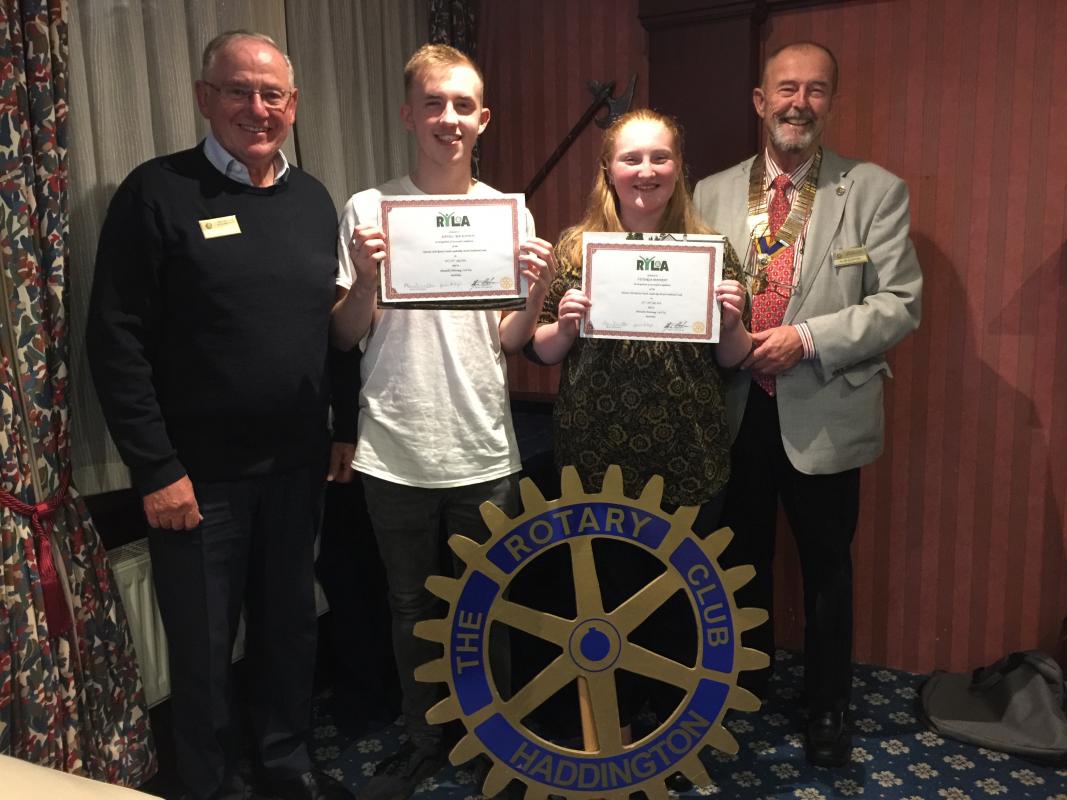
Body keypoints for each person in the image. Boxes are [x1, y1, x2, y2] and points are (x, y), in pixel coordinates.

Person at [87, 30, 350, 800]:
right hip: (195, 483)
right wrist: (156, 469)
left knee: (287, 632)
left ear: (293, 106)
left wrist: (343, 427)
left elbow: (327, 324)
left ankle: (286, 765)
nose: (256, 108)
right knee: (202, 653)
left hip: (297, 468)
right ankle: (208, 786)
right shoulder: (156, 192)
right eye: (238, 90)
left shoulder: (313, 200)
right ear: (204, 98)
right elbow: (117, 342)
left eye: (273, 94)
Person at [330, 44, 554, 800]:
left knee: (491, 605)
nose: (448, 118)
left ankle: (493, 738)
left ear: (482, 118)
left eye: (463, 105)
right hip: (394, 446)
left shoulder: (508, 211)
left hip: (484, 446)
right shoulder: (368, 208)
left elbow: (510, 341)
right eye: (434, 103)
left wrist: (534, 290)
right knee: (407, 607)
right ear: (408, 113)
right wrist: (364, 277)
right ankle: (423, 737)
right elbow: (341, 334)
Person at [693, 41, 923, 766]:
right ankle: (748, 681)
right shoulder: (708, 193)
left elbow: (900, 305)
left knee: (826, 567)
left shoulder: (875, 190)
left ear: (831, 101)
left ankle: (828, 707)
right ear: (760, 102)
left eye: (815, 90)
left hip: (824, 404)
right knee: (740, 556)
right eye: (785, 89)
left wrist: (807, 337)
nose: (799, 102)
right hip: (734, 409)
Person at [528, 108, 751, 791]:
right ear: (608, 170)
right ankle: (613, 735)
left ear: (678, 166)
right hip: (596, 455)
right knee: (604, 600)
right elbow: (538, 350)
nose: (646, 171)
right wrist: (562, 326)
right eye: (631, 159)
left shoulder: (711, 247)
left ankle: (675, 737)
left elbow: (734, 358)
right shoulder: (574, 249)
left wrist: (733, 317)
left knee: (683, 601)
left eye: (659, 157)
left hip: (688, 453)